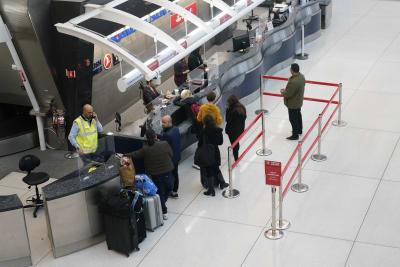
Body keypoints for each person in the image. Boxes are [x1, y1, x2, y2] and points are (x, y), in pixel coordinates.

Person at [125, 129, 174, 220]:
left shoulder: (145, 149)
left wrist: (124, 154)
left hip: (155, 174)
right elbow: (171, 154)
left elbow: (135, 154)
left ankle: (163, 209)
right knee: (169, 188)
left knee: (160, 192)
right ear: (156, 136)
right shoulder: (164, 143)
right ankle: (163, 206)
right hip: (167, 172)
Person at [198, 115, 227, 196]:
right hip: (215, 152)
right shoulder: (218, 130)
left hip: (207, 153)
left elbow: (200, 143)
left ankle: (211, 189)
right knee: (216, 167)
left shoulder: (203, 132)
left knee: (208, 170)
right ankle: (222, 183)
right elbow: (220, 143)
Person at [280, 63, 305, 140]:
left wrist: (282, 92)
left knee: (293, 119)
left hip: (293, 103)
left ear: (292, 70)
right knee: (298, 115)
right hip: (298, 101)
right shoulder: (301, 76)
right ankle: (299, 130)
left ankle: (295, 135)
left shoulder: (294, 81)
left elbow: (288, 94)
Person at [159, 115, 181, 199]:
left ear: (169, 122)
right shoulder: (176, 129)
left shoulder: (166, 135)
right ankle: (175, 190)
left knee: (169, 176)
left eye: (164, 122)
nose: (162, 124)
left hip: (170, 160)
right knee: (175, 174)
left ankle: (170, 191)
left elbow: (162, 144)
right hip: (176, 157)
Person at [225, 95, 247, 162]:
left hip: (232, 131)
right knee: (236, 142)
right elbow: (245, 118)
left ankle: (236, 159)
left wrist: (227, 110)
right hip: (240, 130)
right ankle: (236, 150)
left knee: (234, 144)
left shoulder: (230, 110)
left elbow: (227, 120)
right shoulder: (242, 107)